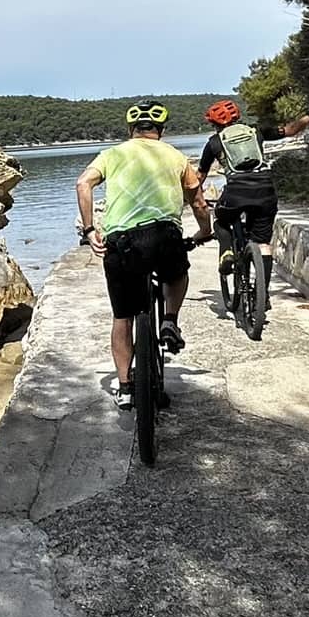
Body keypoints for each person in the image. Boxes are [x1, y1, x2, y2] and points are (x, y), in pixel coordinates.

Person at [75, 101, 213, 410]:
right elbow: (199, 204)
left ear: (130, 130)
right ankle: (170, 320)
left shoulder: (113, 154)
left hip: (122, 243)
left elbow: (83, 183)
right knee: (177, 273)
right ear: (161, 131)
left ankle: (125, 388)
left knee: (122, 317)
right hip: (165, 237)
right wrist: (203, 232)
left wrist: (89, 230)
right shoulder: (176, 156)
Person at [197, 96, 309, 273]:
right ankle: (264, 297)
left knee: (221, 222)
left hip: (235, 193)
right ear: (237, 117)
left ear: (215, 124)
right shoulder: (256, 131)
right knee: (262, 243)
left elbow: (199, 177)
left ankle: (227, 251)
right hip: (264, 190)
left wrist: (190, 196)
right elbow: (290, 130)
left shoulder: (214, 142)